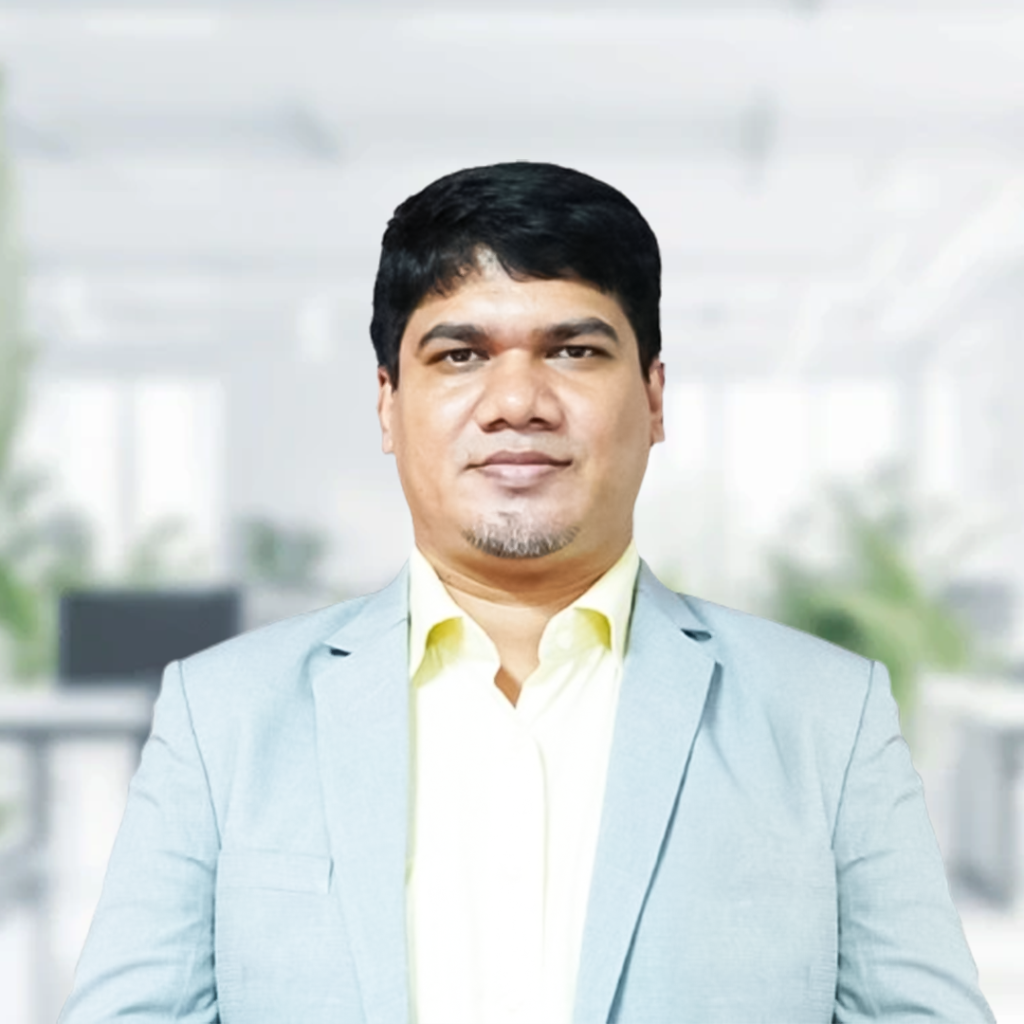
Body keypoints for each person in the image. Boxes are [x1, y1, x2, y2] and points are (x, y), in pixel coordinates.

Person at [60, 162, 994, 1024]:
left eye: (574, 351)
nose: (518, 402)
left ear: (654, 398)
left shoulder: (827, 716)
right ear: (387, 402)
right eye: (460, 355)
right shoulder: (222, 716)